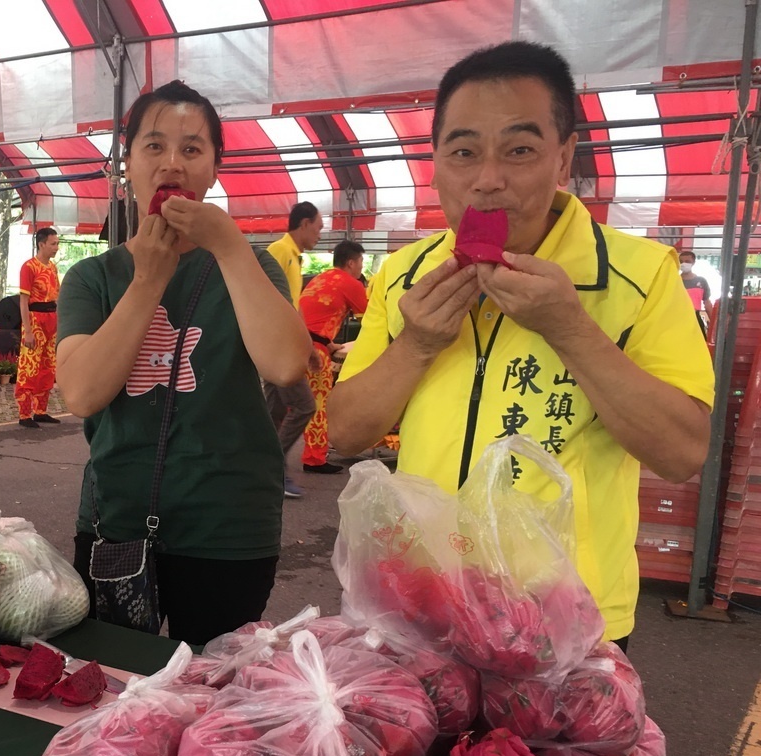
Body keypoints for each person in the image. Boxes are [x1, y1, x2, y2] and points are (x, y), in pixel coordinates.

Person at [328, 41, 715, 650]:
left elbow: (683, 451)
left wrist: (570, 327)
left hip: (566, 619)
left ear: (563, 160)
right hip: (423, 604)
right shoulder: (402, 275)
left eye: (520, 150)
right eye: (463, 152)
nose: (487, 180)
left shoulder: (641, 276)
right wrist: (418, 344)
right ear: (436, 163)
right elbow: (346, 431)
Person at [56, 79, 310, 644]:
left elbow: (288, 364)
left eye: (192, 149)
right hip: (114, 524)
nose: (173, 163)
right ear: (126, 167)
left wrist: (228, 248)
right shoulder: (93, 278)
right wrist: (148, 279)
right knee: (115, 693)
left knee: (213, 695)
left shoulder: (250, 265)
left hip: (229, 532)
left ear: (215, 169)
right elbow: (81, 393)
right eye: (154, 146)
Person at [264, 203, 322, 498]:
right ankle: (274, 467)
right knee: (304, 406)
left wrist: (308, 346)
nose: (320, 234)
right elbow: (269, 300)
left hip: (282, 344)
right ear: (304, 224)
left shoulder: (294, 257)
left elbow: (293, 305)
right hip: (277, 347)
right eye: (319, 227)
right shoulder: (280, 252)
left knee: (272, 411)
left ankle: (259, 469)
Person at [299, 240, 369, 474]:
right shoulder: (351, 283)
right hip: (313, 351)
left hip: (297, 344)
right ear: (351, 262)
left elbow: (313, 317)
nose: (361, 267)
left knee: (290, 406)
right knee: (318, 404)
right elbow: (371, 319)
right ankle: (314, 459)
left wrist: (330, 344)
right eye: (360, 262)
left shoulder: (321, 278)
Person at [16, 227, 61, 428]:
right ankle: (24, 414)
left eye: (57, 243)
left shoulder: (53, 268)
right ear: (41, 244)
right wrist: (28, 329)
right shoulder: (29, 267)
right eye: (53, 243)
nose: (56, 247)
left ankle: (41, 411)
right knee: (30, 366)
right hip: (34, 320)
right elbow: (23, 301)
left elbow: (57, 296)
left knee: (48, 366)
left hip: (52, 319)